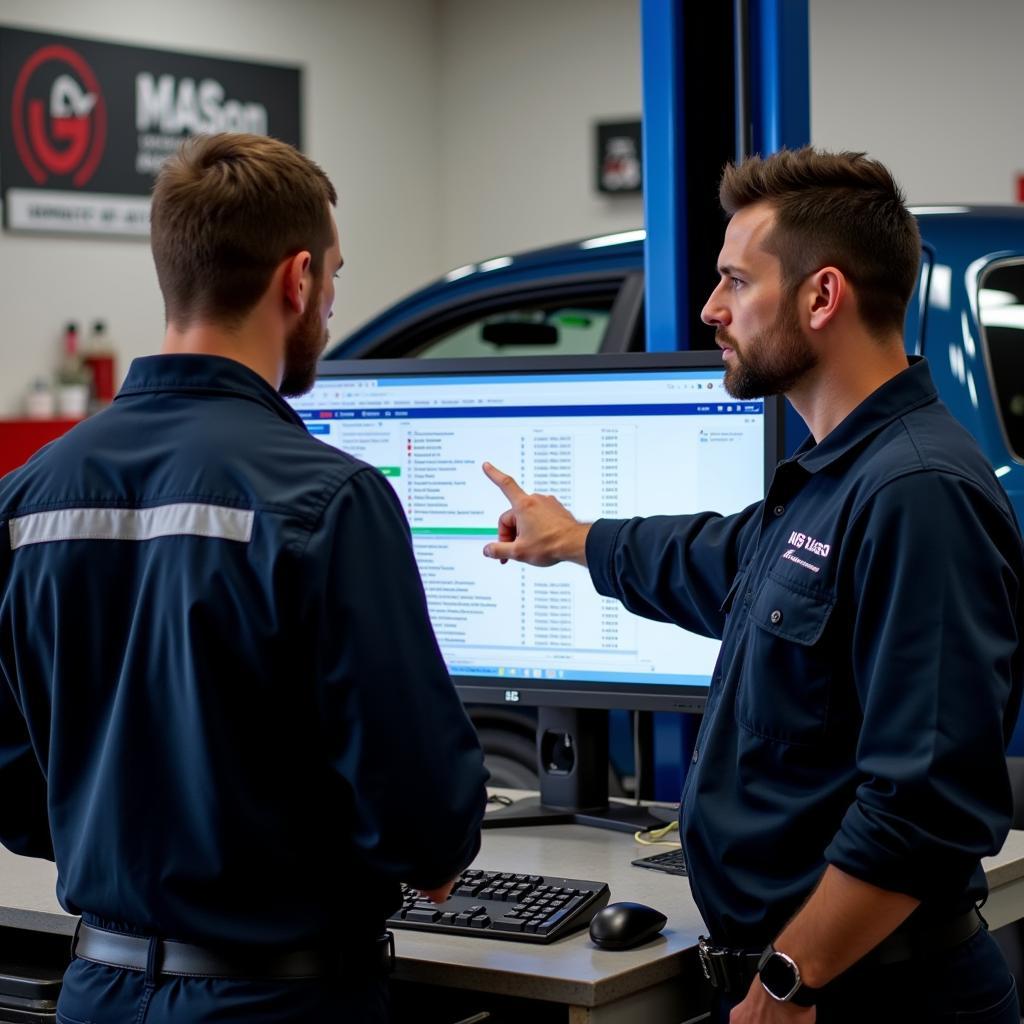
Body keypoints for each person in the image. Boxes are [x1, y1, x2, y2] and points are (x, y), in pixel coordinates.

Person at [480, 147, 1024, 1023]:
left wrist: (788, 979)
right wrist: (576, 539)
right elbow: (719, 563)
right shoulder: (835, 478)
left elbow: (924, 807)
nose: (710, 308)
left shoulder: (917, 494)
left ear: (821, 297)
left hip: (868, 995)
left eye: (736, 280)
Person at [0, 132, 488, 1023]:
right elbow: (422, 820)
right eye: (334, 279)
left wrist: (121, 829)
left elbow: (15, 789)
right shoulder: (331, 499)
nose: (331, 305)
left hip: (96, 993)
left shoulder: (26, 499)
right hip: (280, 1001)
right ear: (296, 280)